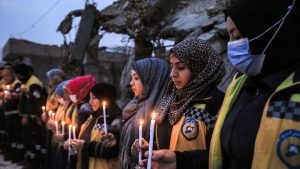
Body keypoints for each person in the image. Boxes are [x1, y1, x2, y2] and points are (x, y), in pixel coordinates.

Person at [209, 0, 299, 169]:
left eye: (238, 37)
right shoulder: (239, 86)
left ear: (264, 29)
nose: (232, 46)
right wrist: (180, 160)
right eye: (229, 37)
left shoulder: (294, 90)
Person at [133, 38, 225, 169]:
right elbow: (165, 143)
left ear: (200, 68)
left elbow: (221, 156)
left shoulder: (216, 102)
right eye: (171, 66)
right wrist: (150, 150)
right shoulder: (169, 99)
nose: (172, 74)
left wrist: (180, 162)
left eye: (181, 67)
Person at [119, 57, 171, 169]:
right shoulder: (131, 107)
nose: (131, 83)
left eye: (136, 78)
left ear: (153, 80)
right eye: (131, 78)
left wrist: (147, 152)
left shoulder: (166, 111)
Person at [71, 83, 122, 169]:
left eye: (94, 98)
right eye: (90, 99)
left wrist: (85, 146)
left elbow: (111, 150)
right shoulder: (93, 117)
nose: (90, 103)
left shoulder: (115, 119)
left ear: (104, 98)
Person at [14, 63, 47, 169]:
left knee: (36, 141)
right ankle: (30, 159)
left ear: (21, 74)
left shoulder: (33, 84)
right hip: (29, 117)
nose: (17, 78)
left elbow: (38, 102)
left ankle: (36, 162)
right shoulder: (25, 82)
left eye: (18, 75)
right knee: (28, 139)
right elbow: (25, 101)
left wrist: (37, 117)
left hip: (35, 118)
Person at [63, 74, 96, 169]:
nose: (70, 95)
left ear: (80, 90)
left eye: (71, 92)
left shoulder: (85, 108)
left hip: (81, 148)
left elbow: (79, 130)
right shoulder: (78, 105)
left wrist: (65, 137)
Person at [0, 67, 22, 162]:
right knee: (10, 135)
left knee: (17, 135)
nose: (5, 78)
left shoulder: (17, 83)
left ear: (12, 74)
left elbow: (19, 96)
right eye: (3, 76)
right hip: (6, 113)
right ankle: (11, 151)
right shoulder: (4, 83)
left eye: (7, 76)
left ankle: (18, 155)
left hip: (16, 114)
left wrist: (13, 95)